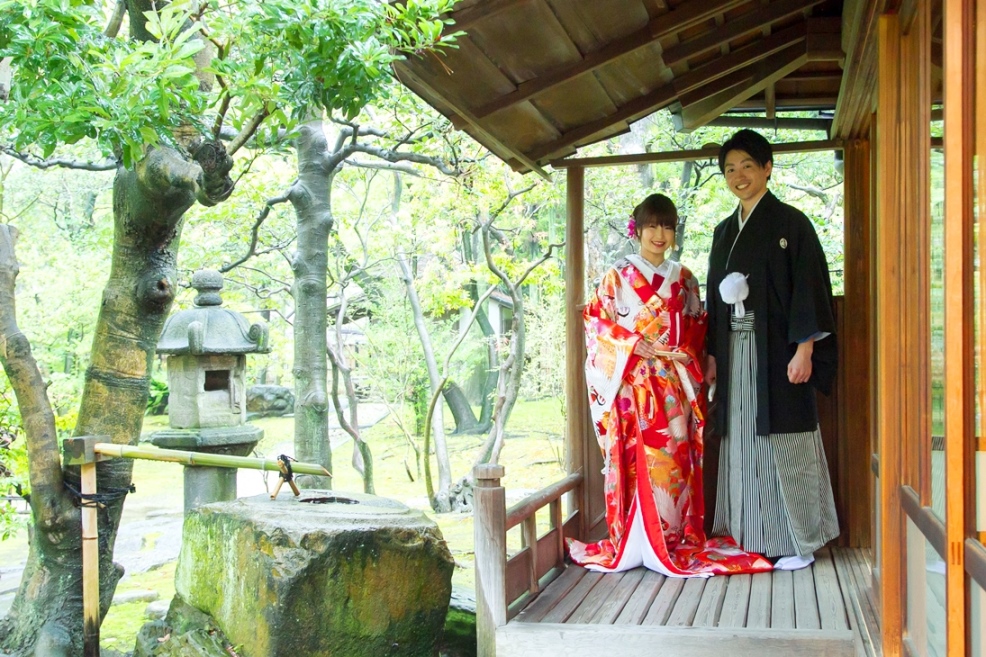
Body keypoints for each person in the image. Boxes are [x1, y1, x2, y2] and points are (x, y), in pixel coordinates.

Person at [568, 193, 772, 577]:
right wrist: (631, 343)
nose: (659, 234)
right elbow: (596, 323)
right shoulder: (616, 276)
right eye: (651, 226)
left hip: (674, 383)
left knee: (673, 463)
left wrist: (689, 355)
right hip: (630, 385)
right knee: (633, 461)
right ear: (637, 229)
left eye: (667, 226)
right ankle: (634, 540)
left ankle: (671, 538)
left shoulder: (684, 278)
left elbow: (697, 328)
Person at [705, 130, 840, 571]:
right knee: (743, 445)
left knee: (787, 443)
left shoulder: (792, 224)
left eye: (747, 165)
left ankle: (800, 542)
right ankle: (751, 535)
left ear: (767, 168)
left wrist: (805, 349)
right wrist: (713, 354)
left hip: (779, 353)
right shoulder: (724, 232)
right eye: (730, 169)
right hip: (736, 353)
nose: (738, 175)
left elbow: (809, 288)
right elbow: (713, 298)